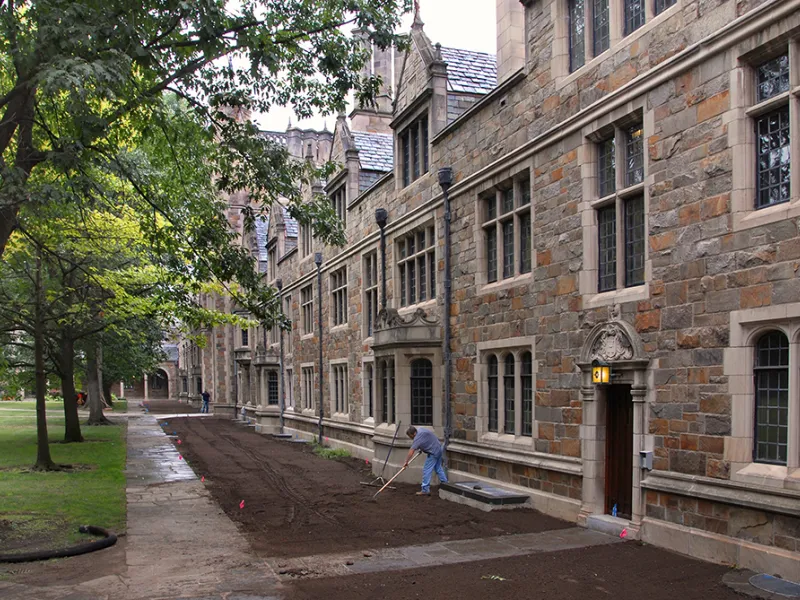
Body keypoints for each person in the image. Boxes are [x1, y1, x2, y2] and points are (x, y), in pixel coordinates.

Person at [403, 425, 448, 496]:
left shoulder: (417, 438)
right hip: (439, 448)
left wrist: (406, 462)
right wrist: (422, 448)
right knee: (438, 468)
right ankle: (445, 484)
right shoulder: (421, 430)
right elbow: (427, 439)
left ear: (413, 433)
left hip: (433, 452)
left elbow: (411, 451)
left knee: (426, 470)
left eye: (410, 436)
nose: (411, 438)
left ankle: (425, 489)